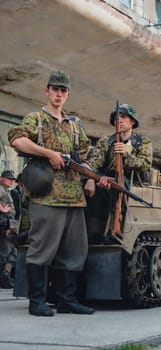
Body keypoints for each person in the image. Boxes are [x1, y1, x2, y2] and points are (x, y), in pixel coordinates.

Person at [8, 70, 95, 316]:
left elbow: (85, 158)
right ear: (47, 91)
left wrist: (91, 179)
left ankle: (66, 300)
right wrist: (49, 154)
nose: (59, 94)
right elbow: (17, 140)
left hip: (74, 198)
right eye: (55, 89)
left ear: (68, 94)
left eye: (63, 90)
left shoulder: (75, 126)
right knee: (41, 249)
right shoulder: (36, 118)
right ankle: (36, 302)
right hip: (46, 196)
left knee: (75, 251)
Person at [84, 103, 153, 240]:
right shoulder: (106, 141)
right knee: (90, 190)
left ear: (132, 121)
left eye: (123, 117)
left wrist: (126, 155)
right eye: (116, 118)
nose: (119, 120)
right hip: (106, 179)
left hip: (131, 182)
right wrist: (91, 179)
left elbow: (145, 164)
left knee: (121, 188)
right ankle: (92, 232)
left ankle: (116, 230)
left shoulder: (142, 142)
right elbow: (94, 162)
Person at [0, 170, 17, 289]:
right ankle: (3, 278)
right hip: (4, 223)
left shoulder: (5, 190)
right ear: (1, 178)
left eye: (12, 179)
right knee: (5, 253)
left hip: (10, 223)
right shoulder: (1, 189)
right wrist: (2, 209)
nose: (11, 181)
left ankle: (5, 275)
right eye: (8, 178)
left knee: (12, 253)